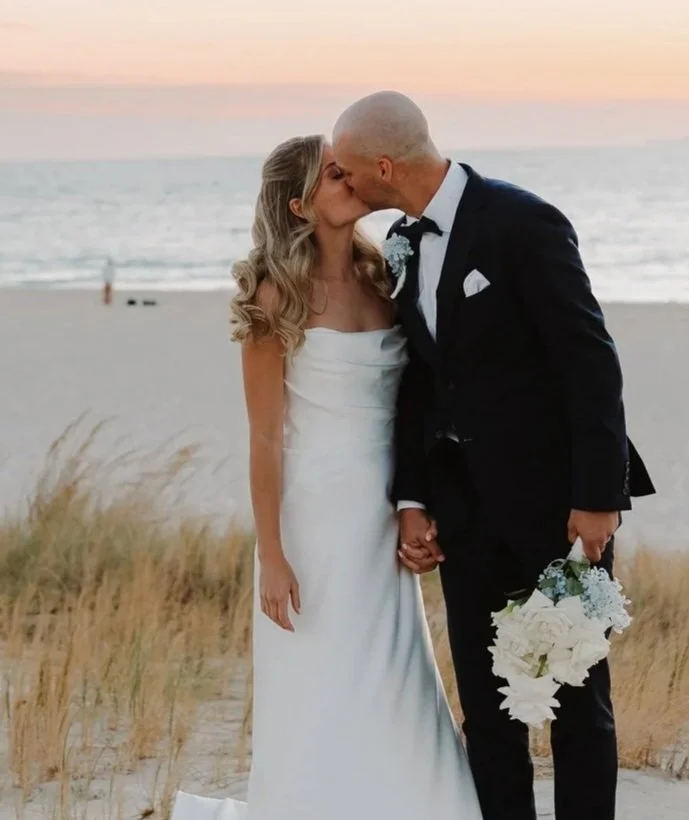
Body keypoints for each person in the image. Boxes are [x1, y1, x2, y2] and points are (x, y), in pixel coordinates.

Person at [332, 92, 655, 820]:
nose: (345, 188)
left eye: (348, 174)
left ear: (385, 165)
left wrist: (599, 497)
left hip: (556, 508)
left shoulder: (523, 222)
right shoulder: (401, 243)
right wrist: (412, 498)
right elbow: (419, 379)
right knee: (488, 706)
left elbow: (590, 363)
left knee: (576, 701)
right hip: (464, 514)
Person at [170, 136, 482, 820]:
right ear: (300, 203)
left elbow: (416, 403)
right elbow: (264, 437)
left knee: (395, 674)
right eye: (334, 175)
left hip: (382, 511)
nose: (352, 181)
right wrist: (272, 555)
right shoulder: (275, 295)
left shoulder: (383, 279)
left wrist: (417, 501)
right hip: (312, 520)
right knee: (321, 679)